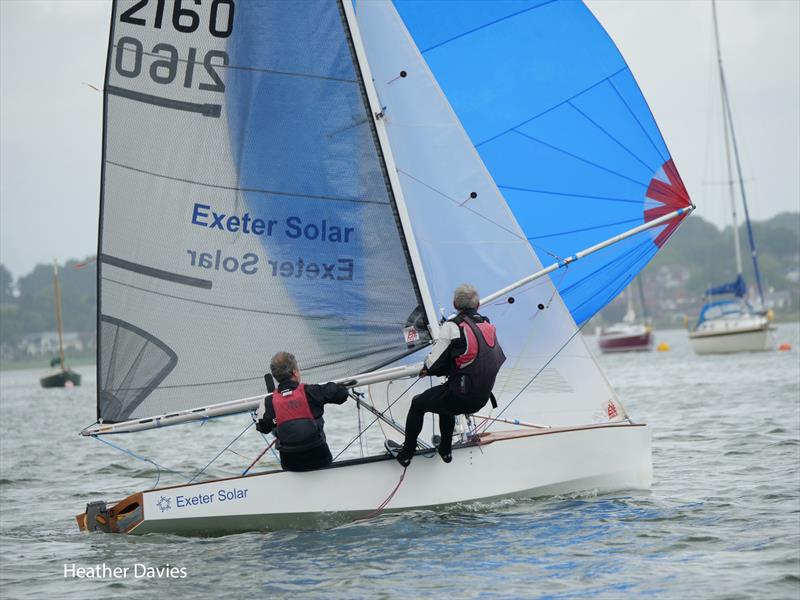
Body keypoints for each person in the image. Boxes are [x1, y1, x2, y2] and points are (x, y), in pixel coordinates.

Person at [390, 284, 506, 467]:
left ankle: (406, 454)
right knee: (445, 399)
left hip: (461, 396)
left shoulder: (453, 326)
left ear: (454, 304)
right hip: (483, 397)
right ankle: (445, 450)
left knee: (418, 403)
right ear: (478, 305)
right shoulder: (487, 324)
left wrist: (426, 369)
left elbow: (434, 363)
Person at [255, 351, 349, 472]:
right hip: (320, 459)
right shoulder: (311, 391)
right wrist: (332, 386)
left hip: (291, 465)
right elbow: (342, 395)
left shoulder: (268, 402)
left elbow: (263, 427)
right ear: (295, 372)